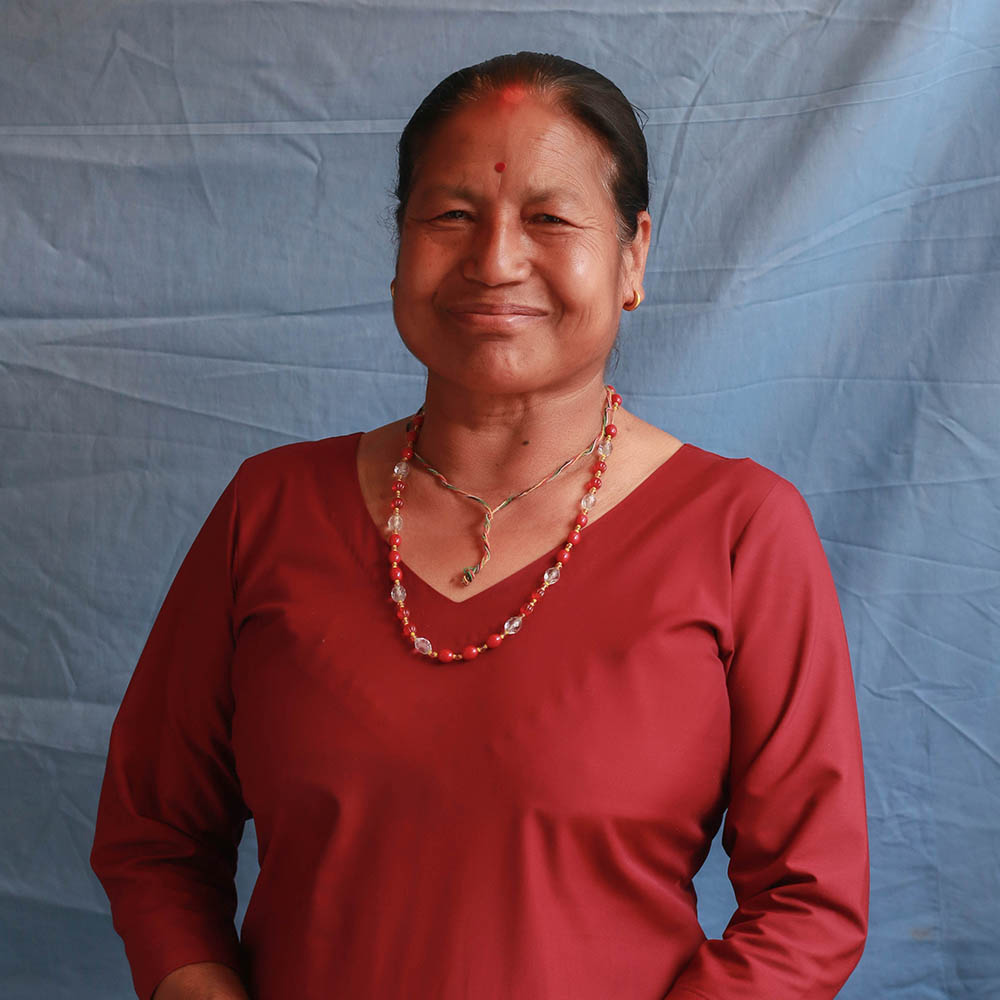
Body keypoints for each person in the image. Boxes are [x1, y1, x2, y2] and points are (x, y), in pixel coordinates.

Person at [90, 52, 869, 1000]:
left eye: (550, 219)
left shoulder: (741, 532)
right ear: (399, 248)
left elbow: (809, 902)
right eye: (451, 216)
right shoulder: (270, 509)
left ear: (633, 256)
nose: (495, 261)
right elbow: (155, 838)